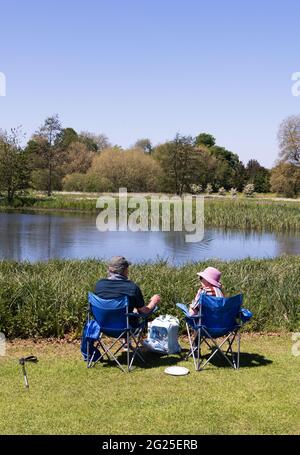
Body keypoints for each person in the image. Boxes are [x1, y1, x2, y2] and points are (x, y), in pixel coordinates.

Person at [95, 256, 160, 316]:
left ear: (109, 270)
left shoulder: (99, 284)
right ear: (124, 271)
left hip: (101, 324)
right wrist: (154, 301)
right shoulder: (132, 288)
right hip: (124, 325)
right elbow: (144, 312)